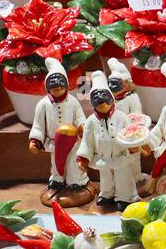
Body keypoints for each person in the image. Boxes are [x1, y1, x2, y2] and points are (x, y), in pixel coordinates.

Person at [78, 71, 140, 209]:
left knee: (123, 178)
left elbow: (129, 133)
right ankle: (107, 195)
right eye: (96, 96)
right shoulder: (90, 122)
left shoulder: (122, 117)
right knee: (106, 179)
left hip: (120, 157)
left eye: (104, 95)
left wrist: (132, 146)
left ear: (111, 98)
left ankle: (125, 198)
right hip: (103, 158)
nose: (101, 99)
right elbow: (87, 142)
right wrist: (83, 158)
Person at [28, 57, 89, 196]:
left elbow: (80, 117)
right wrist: (35, 140)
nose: (58, 90)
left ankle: (76, 181)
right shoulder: (43, 104)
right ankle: (57, 180)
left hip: (73, 141)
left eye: (61, 87)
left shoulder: (73, 102)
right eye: (54, 88)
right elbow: (38, 124)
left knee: (73, 162)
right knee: (56, 163)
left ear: (66, 86)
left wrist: (82, 127)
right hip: (54, 141)